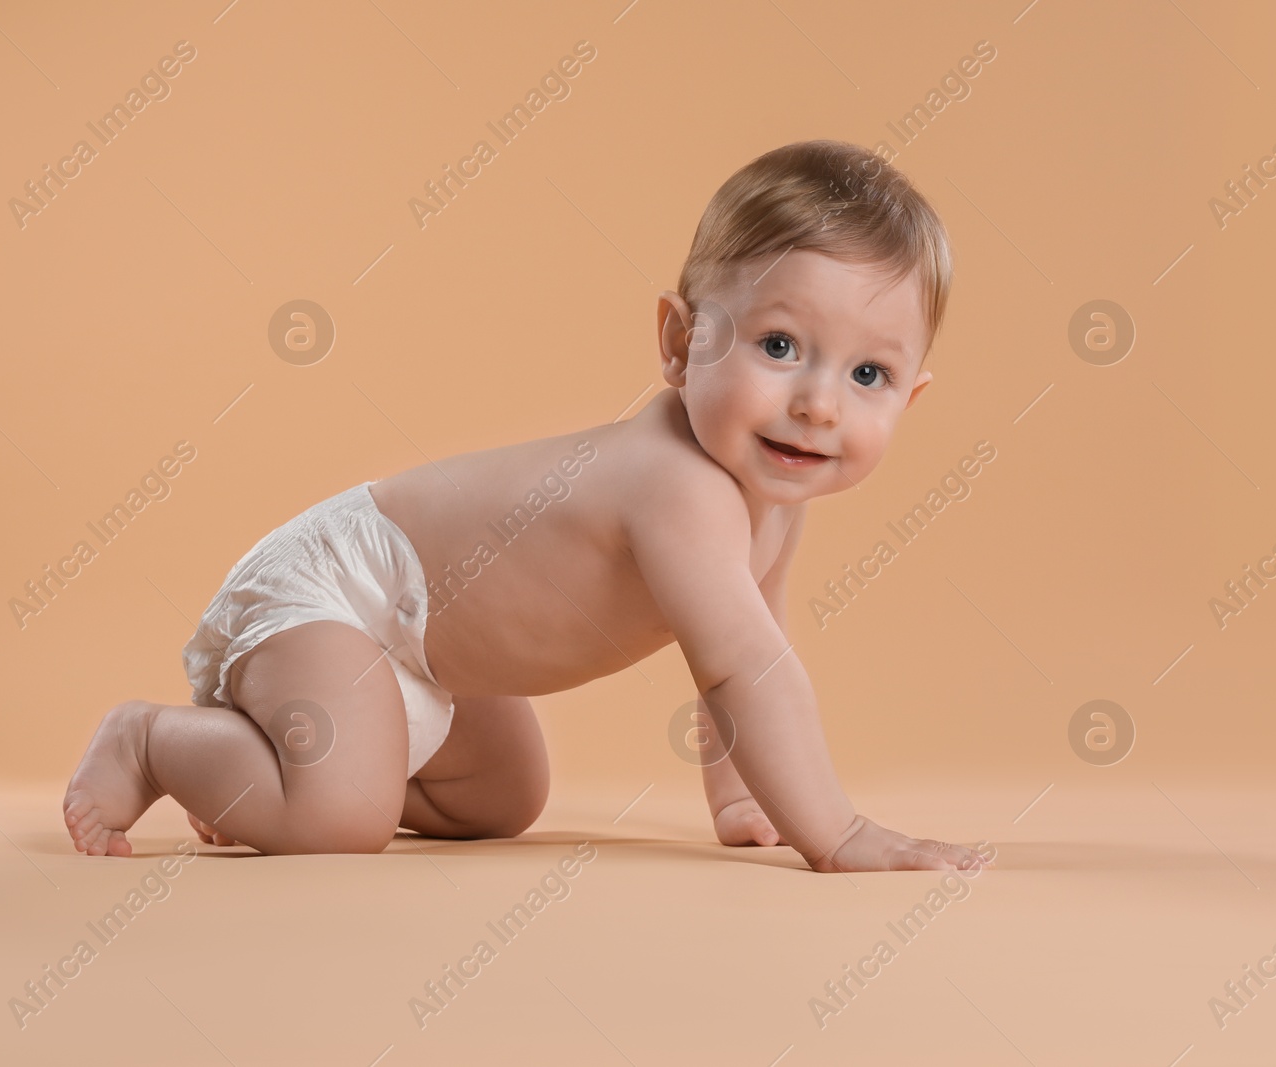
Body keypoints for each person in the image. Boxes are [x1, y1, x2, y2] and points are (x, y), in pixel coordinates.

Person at [64, 139, 988, 874]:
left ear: (908, 399)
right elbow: (743, 672)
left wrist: (744, 800)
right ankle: (153, 741)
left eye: (868, 372)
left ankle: (295, 754)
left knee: (503, 797)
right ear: (678, 341)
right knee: (340, 817)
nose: (819, 402)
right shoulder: (677, 483)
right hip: (342, 592)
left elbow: (754, 645)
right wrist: (835, 830)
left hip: (425, 652)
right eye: (780, 344)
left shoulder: (770, 499)